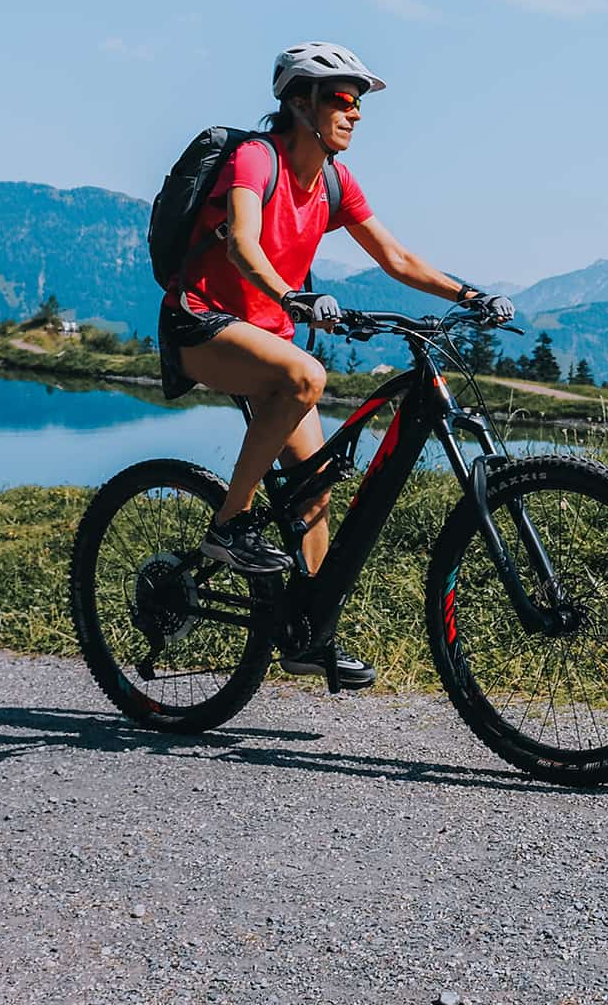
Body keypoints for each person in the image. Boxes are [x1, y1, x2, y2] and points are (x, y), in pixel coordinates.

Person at [159, 41, 513, 688]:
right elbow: (240, 243)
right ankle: (228, 527)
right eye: (342, 99)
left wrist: (471, 295)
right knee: (306, 375)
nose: (354, 114)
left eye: (358, 104)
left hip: (267, 331)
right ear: (300, 101)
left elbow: (397, 260)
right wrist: (294, 296)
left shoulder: (333, 181)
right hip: (201, 322)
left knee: (315, 485)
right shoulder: (254, 158)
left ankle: (307, 637)